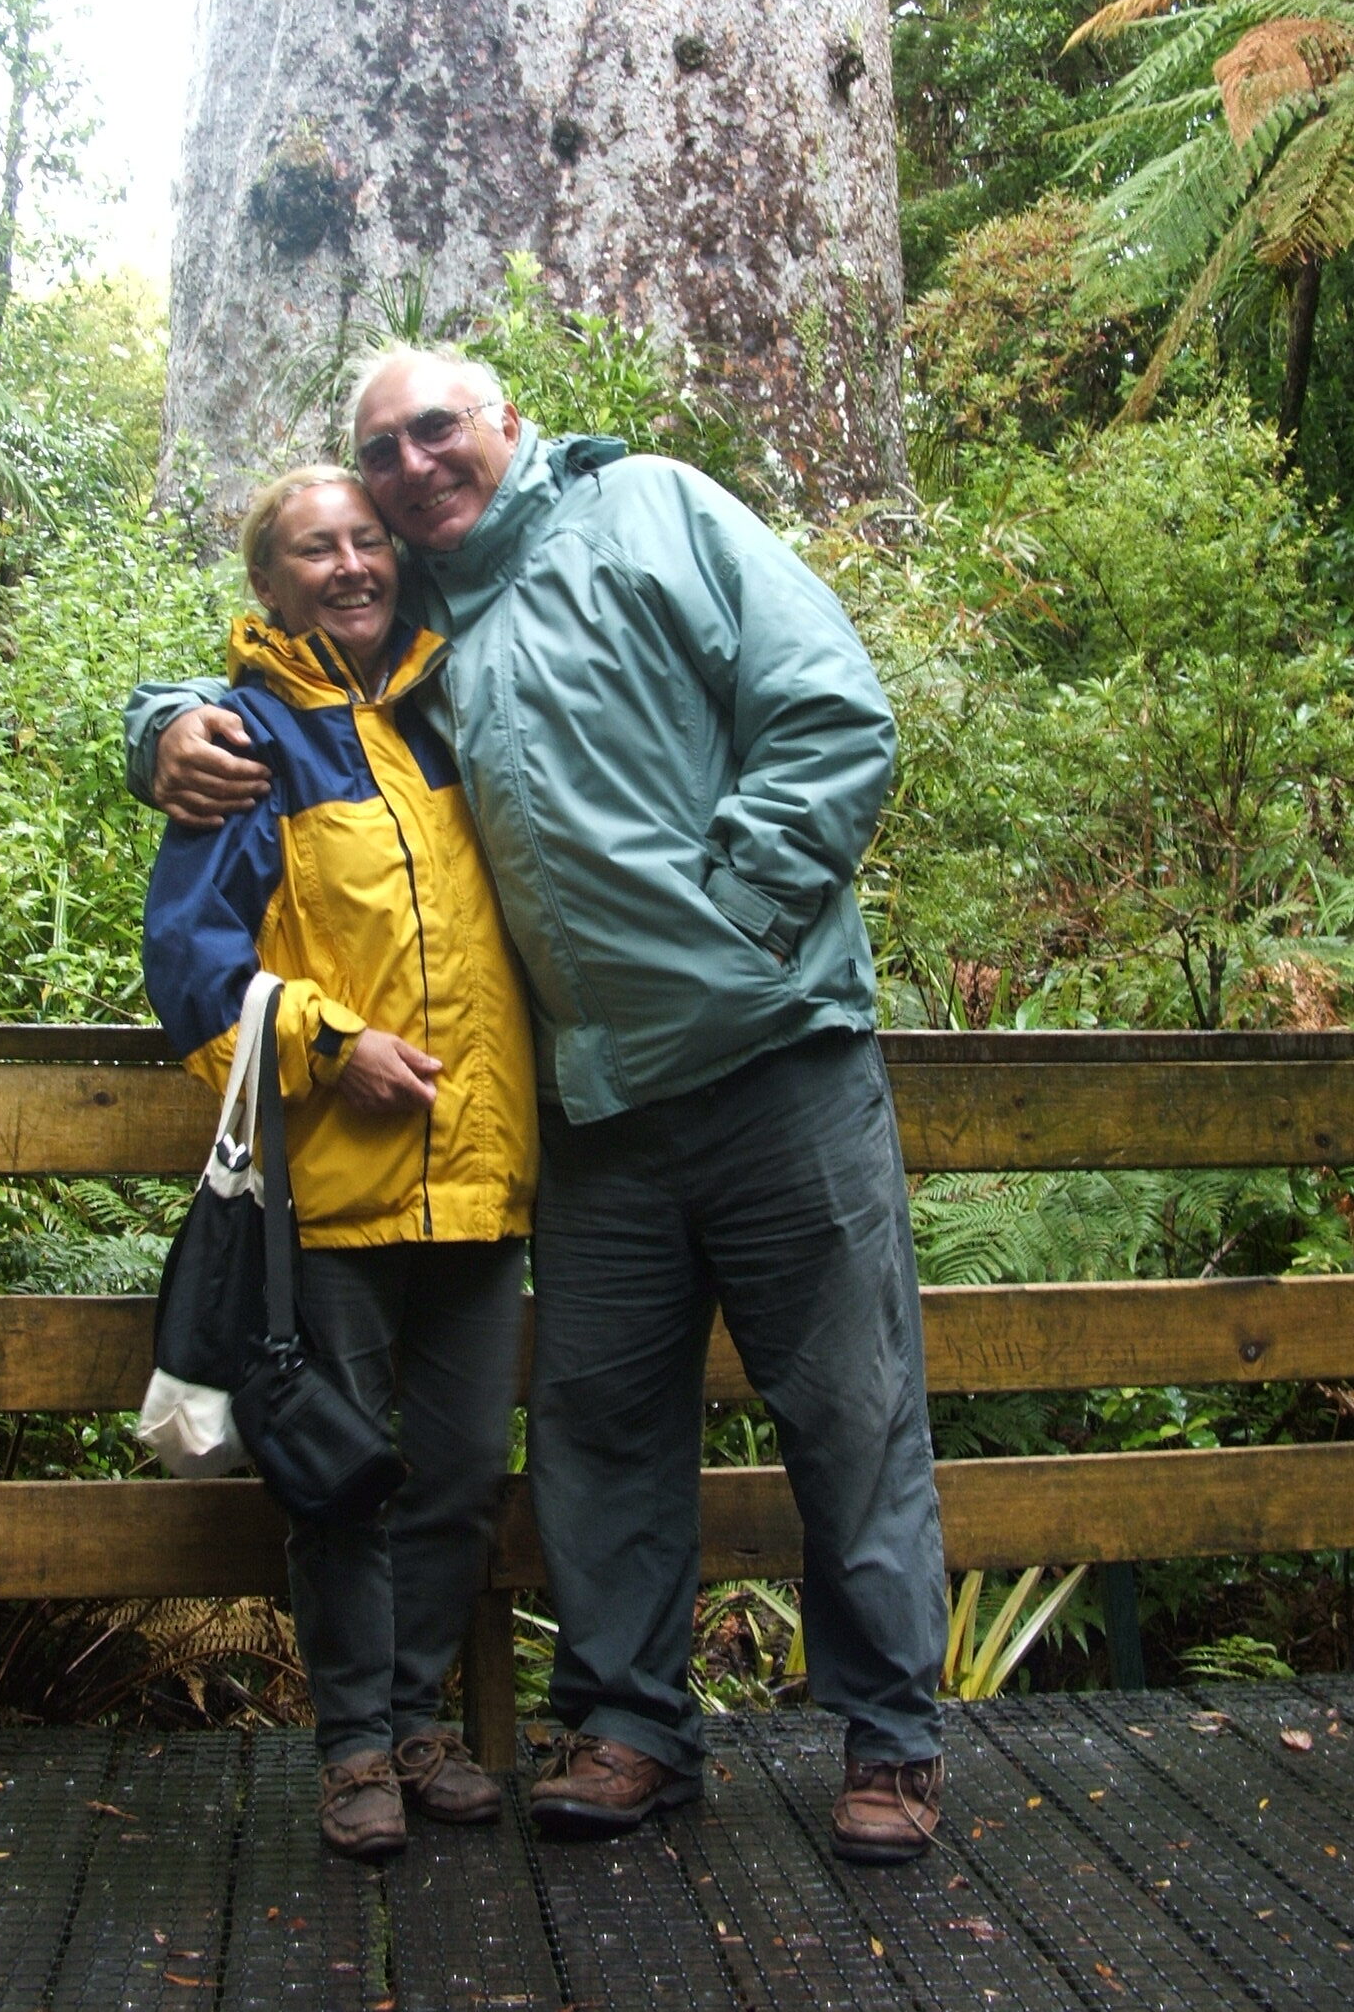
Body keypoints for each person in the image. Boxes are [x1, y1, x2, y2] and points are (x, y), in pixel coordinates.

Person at [127, 355, 949, 1865]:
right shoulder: (433, 623)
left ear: (504, 419)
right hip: (597, 1118)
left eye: (439, 426)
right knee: (598, 1430)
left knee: (849, 1408)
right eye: (382, 451)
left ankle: (891, 1741)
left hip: (778, 1065)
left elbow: (833, 713)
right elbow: (290, 677)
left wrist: (740, 924)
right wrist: (163, 721)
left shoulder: (653, 508)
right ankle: (632, 1727)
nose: (415, 464)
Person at [140, 460, 537, 1861]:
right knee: (341, 1477)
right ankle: (355, 1748)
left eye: (369, 538)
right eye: (315, 549)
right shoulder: (245, 741)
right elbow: (192, 977)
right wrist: (329, 1043)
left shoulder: (459, 708)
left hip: (482, 1180)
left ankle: (423, 1722)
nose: (352, 564)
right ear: (269, 583)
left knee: (453, 1472)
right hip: (335, 1187)